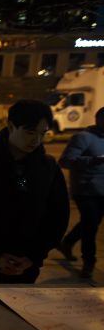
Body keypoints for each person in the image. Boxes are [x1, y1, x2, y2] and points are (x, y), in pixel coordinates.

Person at [0, 99, 69, 283]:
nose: (36, 140)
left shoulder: (48, 168)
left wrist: (33, 257)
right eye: (29, 132)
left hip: (26, 266)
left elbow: (57, 216)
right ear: (11, 126)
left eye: (42, 133)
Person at [57, 107, 104, 278]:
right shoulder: (83, 138)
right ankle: (89, 262)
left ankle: (66, 243)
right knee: (90, 226)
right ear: (99, 120)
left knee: (90, 222)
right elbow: (65, 161)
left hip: (102, 191)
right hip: (85, 190)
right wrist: (94, 160)